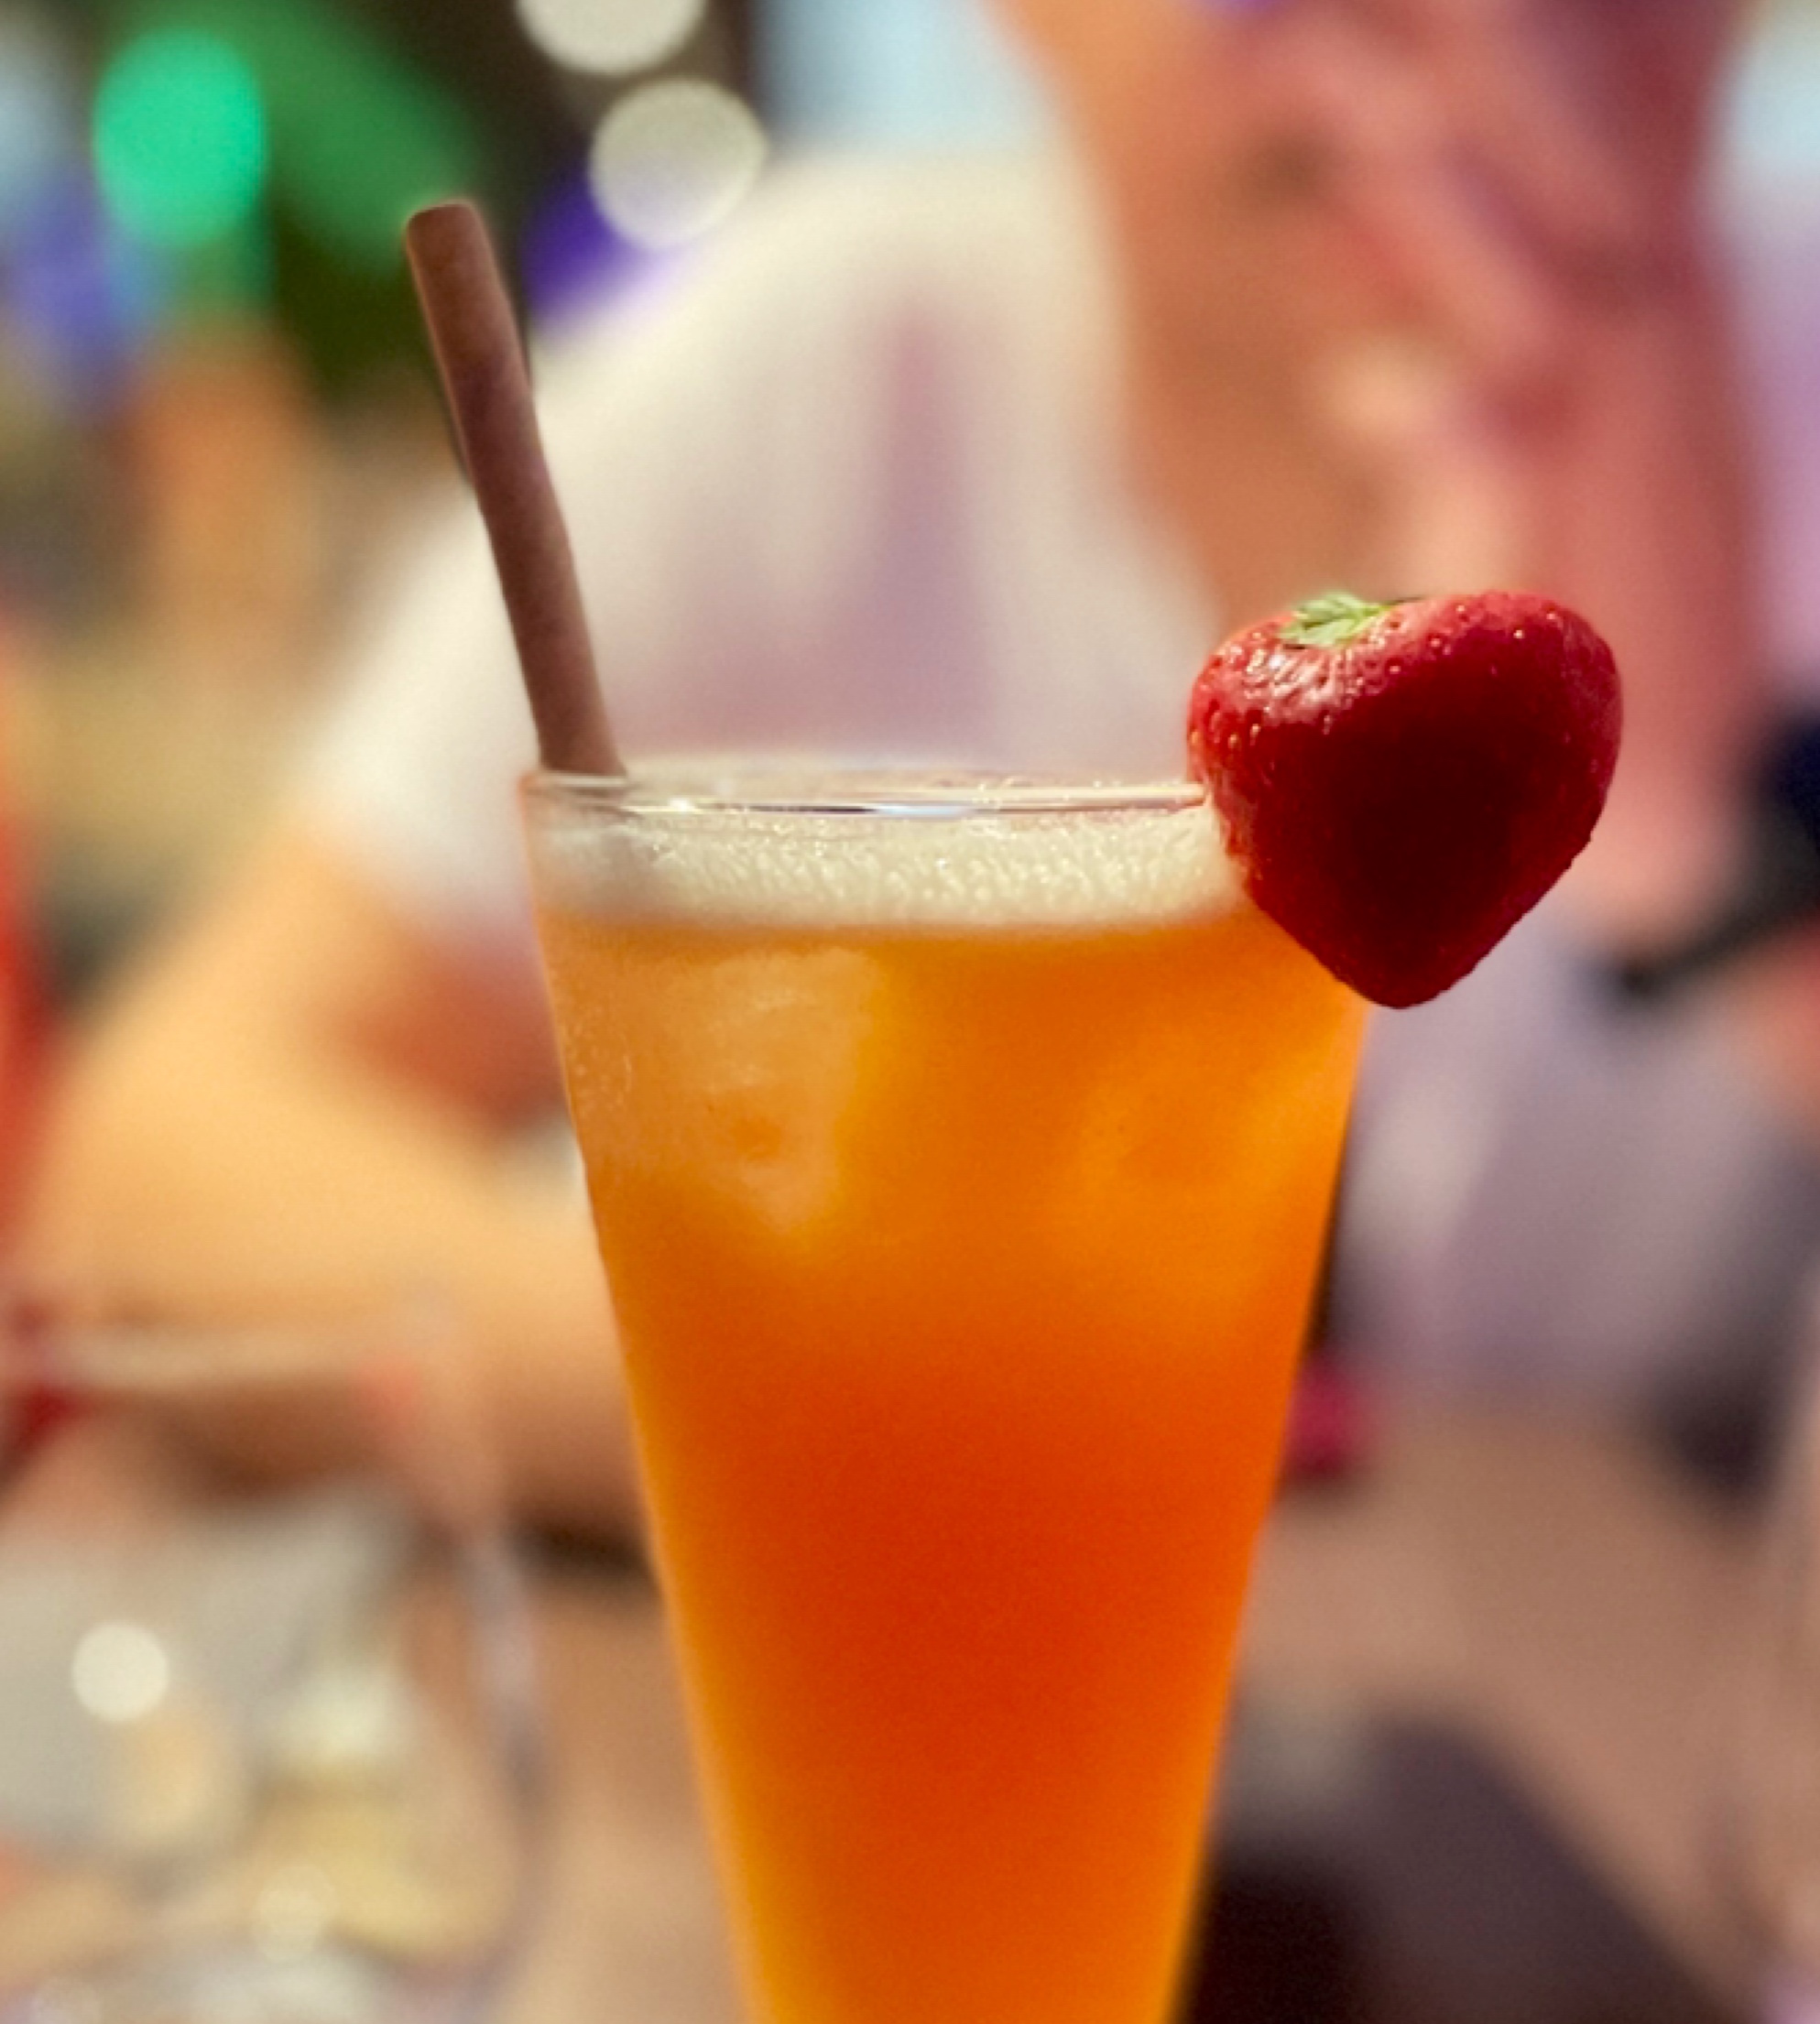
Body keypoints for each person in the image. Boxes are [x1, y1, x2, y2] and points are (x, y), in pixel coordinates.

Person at [20, 0, 1819, 1526]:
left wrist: (1710, 846)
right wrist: (883, 1415)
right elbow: (159, 1166)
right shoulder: (824, 361)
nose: (1443, 51)